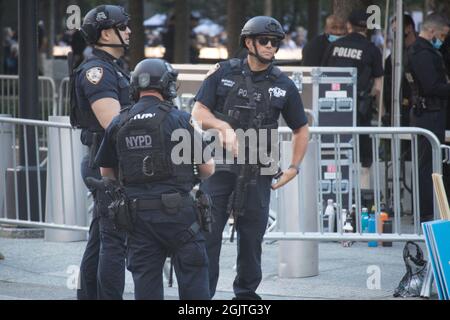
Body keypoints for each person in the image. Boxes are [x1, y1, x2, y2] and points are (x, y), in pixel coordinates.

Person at [192, 16, 310, 300]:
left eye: (276, 42)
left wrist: (294, 167)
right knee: (208, 234)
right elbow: (198, 112)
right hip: (219, 166)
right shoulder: (223, 72)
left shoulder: (283, 83)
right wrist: (223, 127)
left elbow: (301, 128)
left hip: (260, 167)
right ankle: (201, 297)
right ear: (248, 42)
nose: (271, 47)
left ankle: (245, 295)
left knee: (251, 238)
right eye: (264, 41)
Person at [95, 58, 214, 300]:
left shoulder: (119, 121)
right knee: (193, 279)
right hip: (179, 215)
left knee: (146, 283)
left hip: (137, 216)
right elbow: (208, 168)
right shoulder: (180, 119)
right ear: (167, 86)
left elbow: (106, 173)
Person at [70, 4, 131, 300]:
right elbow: (114, 124)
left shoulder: (114, 68)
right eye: (124, 26)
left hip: (108, 162)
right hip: (104, 164)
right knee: (114, 242)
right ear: (107, 32)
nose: (129, 31)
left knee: (100, 239)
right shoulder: (98, 71)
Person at [322, 9, 384, 186]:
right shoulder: (372, 50)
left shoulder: (333, 46)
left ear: (349, 26)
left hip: (332, 109)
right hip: (360, 109)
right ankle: (361, 194)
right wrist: (378, 108)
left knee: (335, 150)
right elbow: (378, 88)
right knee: (363, 154)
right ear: (367, 29)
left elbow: (323, 75)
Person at [406, 13, 450, 222]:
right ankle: (426, 212)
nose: (442, 39)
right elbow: (431, 86)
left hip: (428, 114)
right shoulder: (422, 53)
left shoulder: (419, 50)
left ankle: (428, 210)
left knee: (428, 164)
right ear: (432, 31)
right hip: (429, 114)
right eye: (442, 35)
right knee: (428, 166)